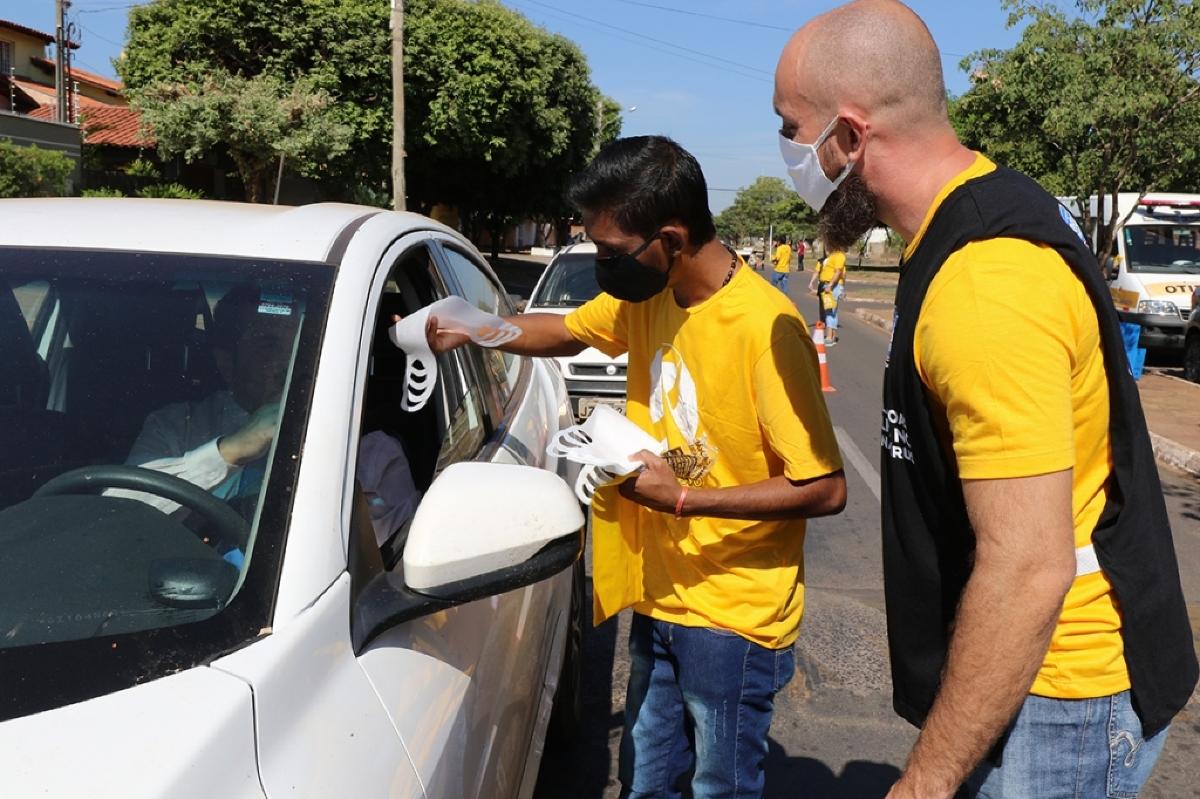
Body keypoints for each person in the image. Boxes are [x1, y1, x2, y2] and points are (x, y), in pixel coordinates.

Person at [774, 3, 1197, 798]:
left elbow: (1030, 565)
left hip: (1055, 702)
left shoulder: (983, 284)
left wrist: (926, 781)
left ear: (849, 137)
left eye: (790, 128)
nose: (787, 154)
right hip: (1037, 687)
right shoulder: (965, 221)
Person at [423, 136, 846, 798]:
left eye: (611, 252)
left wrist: (683, 500)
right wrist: (475, 325)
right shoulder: (648, 296)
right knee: (645, 776)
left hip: (733, 615)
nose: (601, 265)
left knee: (721, 785)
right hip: (659, 592)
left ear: (672, 239)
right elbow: (563, 330)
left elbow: (824, 486)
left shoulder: (767, 329)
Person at [118, 285, 419, 554]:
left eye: (302, 346)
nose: (289, 362)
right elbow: (116, 520)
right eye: (268, 347)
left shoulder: (371, 452)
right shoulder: (175, 427)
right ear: (226, 363)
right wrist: (228, 452)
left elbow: (386, 575)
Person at [808, 248, 846, 344]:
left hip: (832, 286)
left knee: (829, 311)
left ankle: (829, 337)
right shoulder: (831, 257)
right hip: (828, 285)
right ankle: (832, 335)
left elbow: (838, 272)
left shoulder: (839, 256)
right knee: (831, 311)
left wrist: (830, 285)